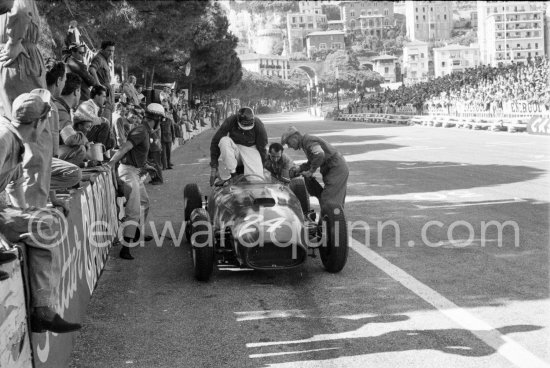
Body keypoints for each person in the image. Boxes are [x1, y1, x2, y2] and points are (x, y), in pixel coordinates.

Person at [0, 90, 81, 333]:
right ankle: (43, 311)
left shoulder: (16, 141)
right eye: (46, 121)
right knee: (44, 225)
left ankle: (43, 310)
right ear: (37, 123)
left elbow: (16, 190)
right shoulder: (4, 138)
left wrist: (30, 218)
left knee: (44, 224)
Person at [104, 103, 165, 260]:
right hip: (128, 172)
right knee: (134, 209)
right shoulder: (140, 131)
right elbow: (124, 148)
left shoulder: (144, 131)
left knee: (145, 202)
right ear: (156, 119)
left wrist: (147, 166)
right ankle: (126, 248)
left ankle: (137, 233)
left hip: (135, 172)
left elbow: (136, 153)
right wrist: (110, 164)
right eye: (160, 121)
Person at [281, 126, 349, 210]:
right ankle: (332, 221)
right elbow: (313, 160)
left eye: (288, 143)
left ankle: (334, 222)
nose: (289, 146)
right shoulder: (305, 143)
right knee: (332, 201)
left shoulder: (308, 141)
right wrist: (300, 168)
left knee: (329, 200)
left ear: (295, 137)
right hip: (333, 168)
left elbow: (319, 154)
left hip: (336, 168)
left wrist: (311, 171)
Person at [0, 0, 46, 118]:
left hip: (13, 57)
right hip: (18, 58)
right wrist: (14, 42)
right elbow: (21, 10)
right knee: (30, 119)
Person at [209, 106, 268, 186]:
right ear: (238, 121)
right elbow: (216, 141)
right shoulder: (231, 120)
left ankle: (252, 176)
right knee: (224, 141)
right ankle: (233, 175)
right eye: (243, 127)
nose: (245, 129)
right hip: (235, 149)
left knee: (256, 181)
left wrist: (263, 166)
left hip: (251, 149)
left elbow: (262, 147)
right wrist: (214, 167)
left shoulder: (258, 124)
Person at [88, 40, 114, 123]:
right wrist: (99, 85)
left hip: (107, 95)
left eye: (112, 51)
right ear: (102, 50)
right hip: (103, 96)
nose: (111, 53)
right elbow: (92, 69)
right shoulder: (99, 58)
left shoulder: (105, 60)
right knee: (104, 123)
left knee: (108, 122)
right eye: (109, 50)